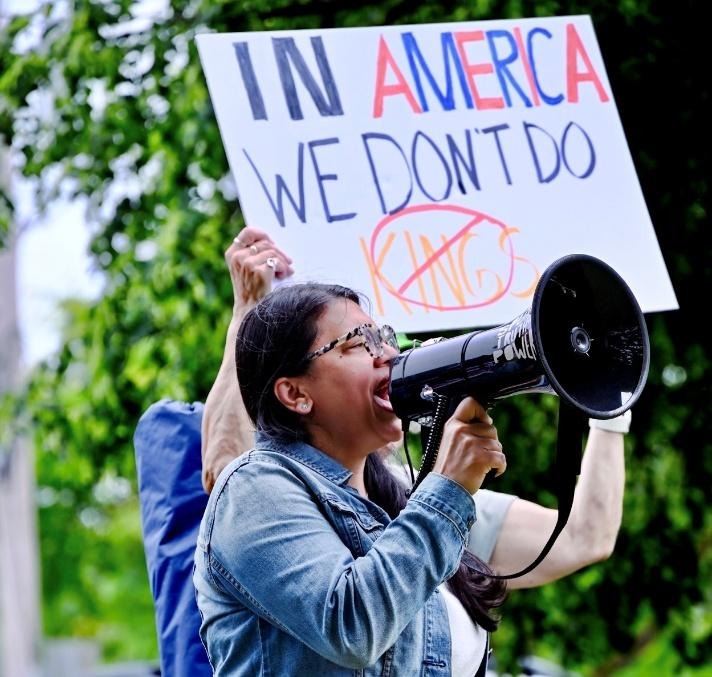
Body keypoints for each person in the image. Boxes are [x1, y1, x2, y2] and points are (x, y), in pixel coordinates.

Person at [201, 228, 630, 589]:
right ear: (295, 394)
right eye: (359, 344)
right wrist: (248, 315)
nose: (388, 355)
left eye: (385, 337)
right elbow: (226, 471)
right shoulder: (270, 498)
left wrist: (605, 392)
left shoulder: (411, 493)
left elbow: (583, 537)